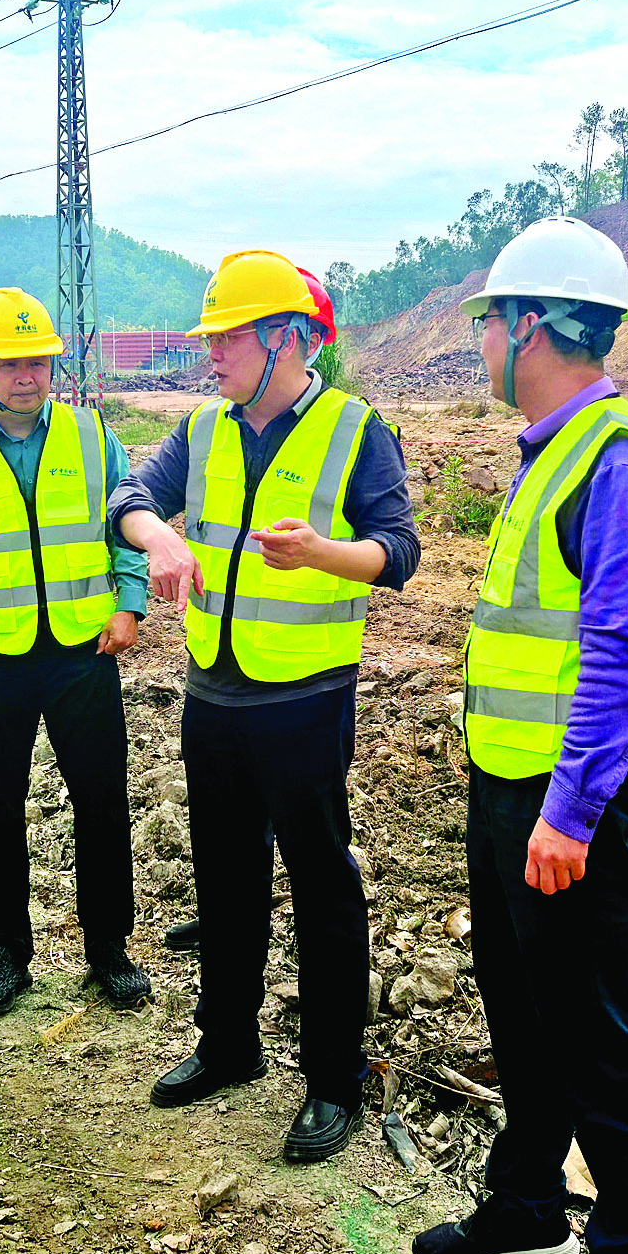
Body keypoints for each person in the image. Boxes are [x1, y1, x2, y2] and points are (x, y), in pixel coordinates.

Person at [406, 217, 628, 1254]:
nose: (479, 338)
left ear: (531, 325)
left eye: (487, 319)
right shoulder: (553, 451)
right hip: (513, 789)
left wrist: (569, 815)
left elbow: (622, 660)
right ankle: (529, 1207)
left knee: (602, 1036)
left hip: (571, 808)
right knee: (524, 1011)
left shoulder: (616, 464)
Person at [110, 250, 418, 1164]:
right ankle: (228, 1043)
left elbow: (399, 551)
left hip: (307, 698)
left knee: (324, 886)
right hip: (214, 692)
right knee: (226, 877)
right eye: (213, 337)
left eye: (231, 336)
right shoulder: (203, 430)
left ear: (287, 338)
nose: (215, 353)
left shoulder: (357, 430)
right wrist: (157, 536)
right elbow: (127, 496)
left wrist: (325, 552)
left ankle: (333, 1080)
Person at [0, 288, 152, 1017]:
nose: (28, 374)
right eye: (11, 362)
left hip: (84, 647)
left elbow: (126, 517)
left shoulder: (92, 435)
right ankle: (5, 955)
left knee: (102, 800)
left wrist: (130, 600)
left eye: (39, 361)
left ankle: (108, 945)